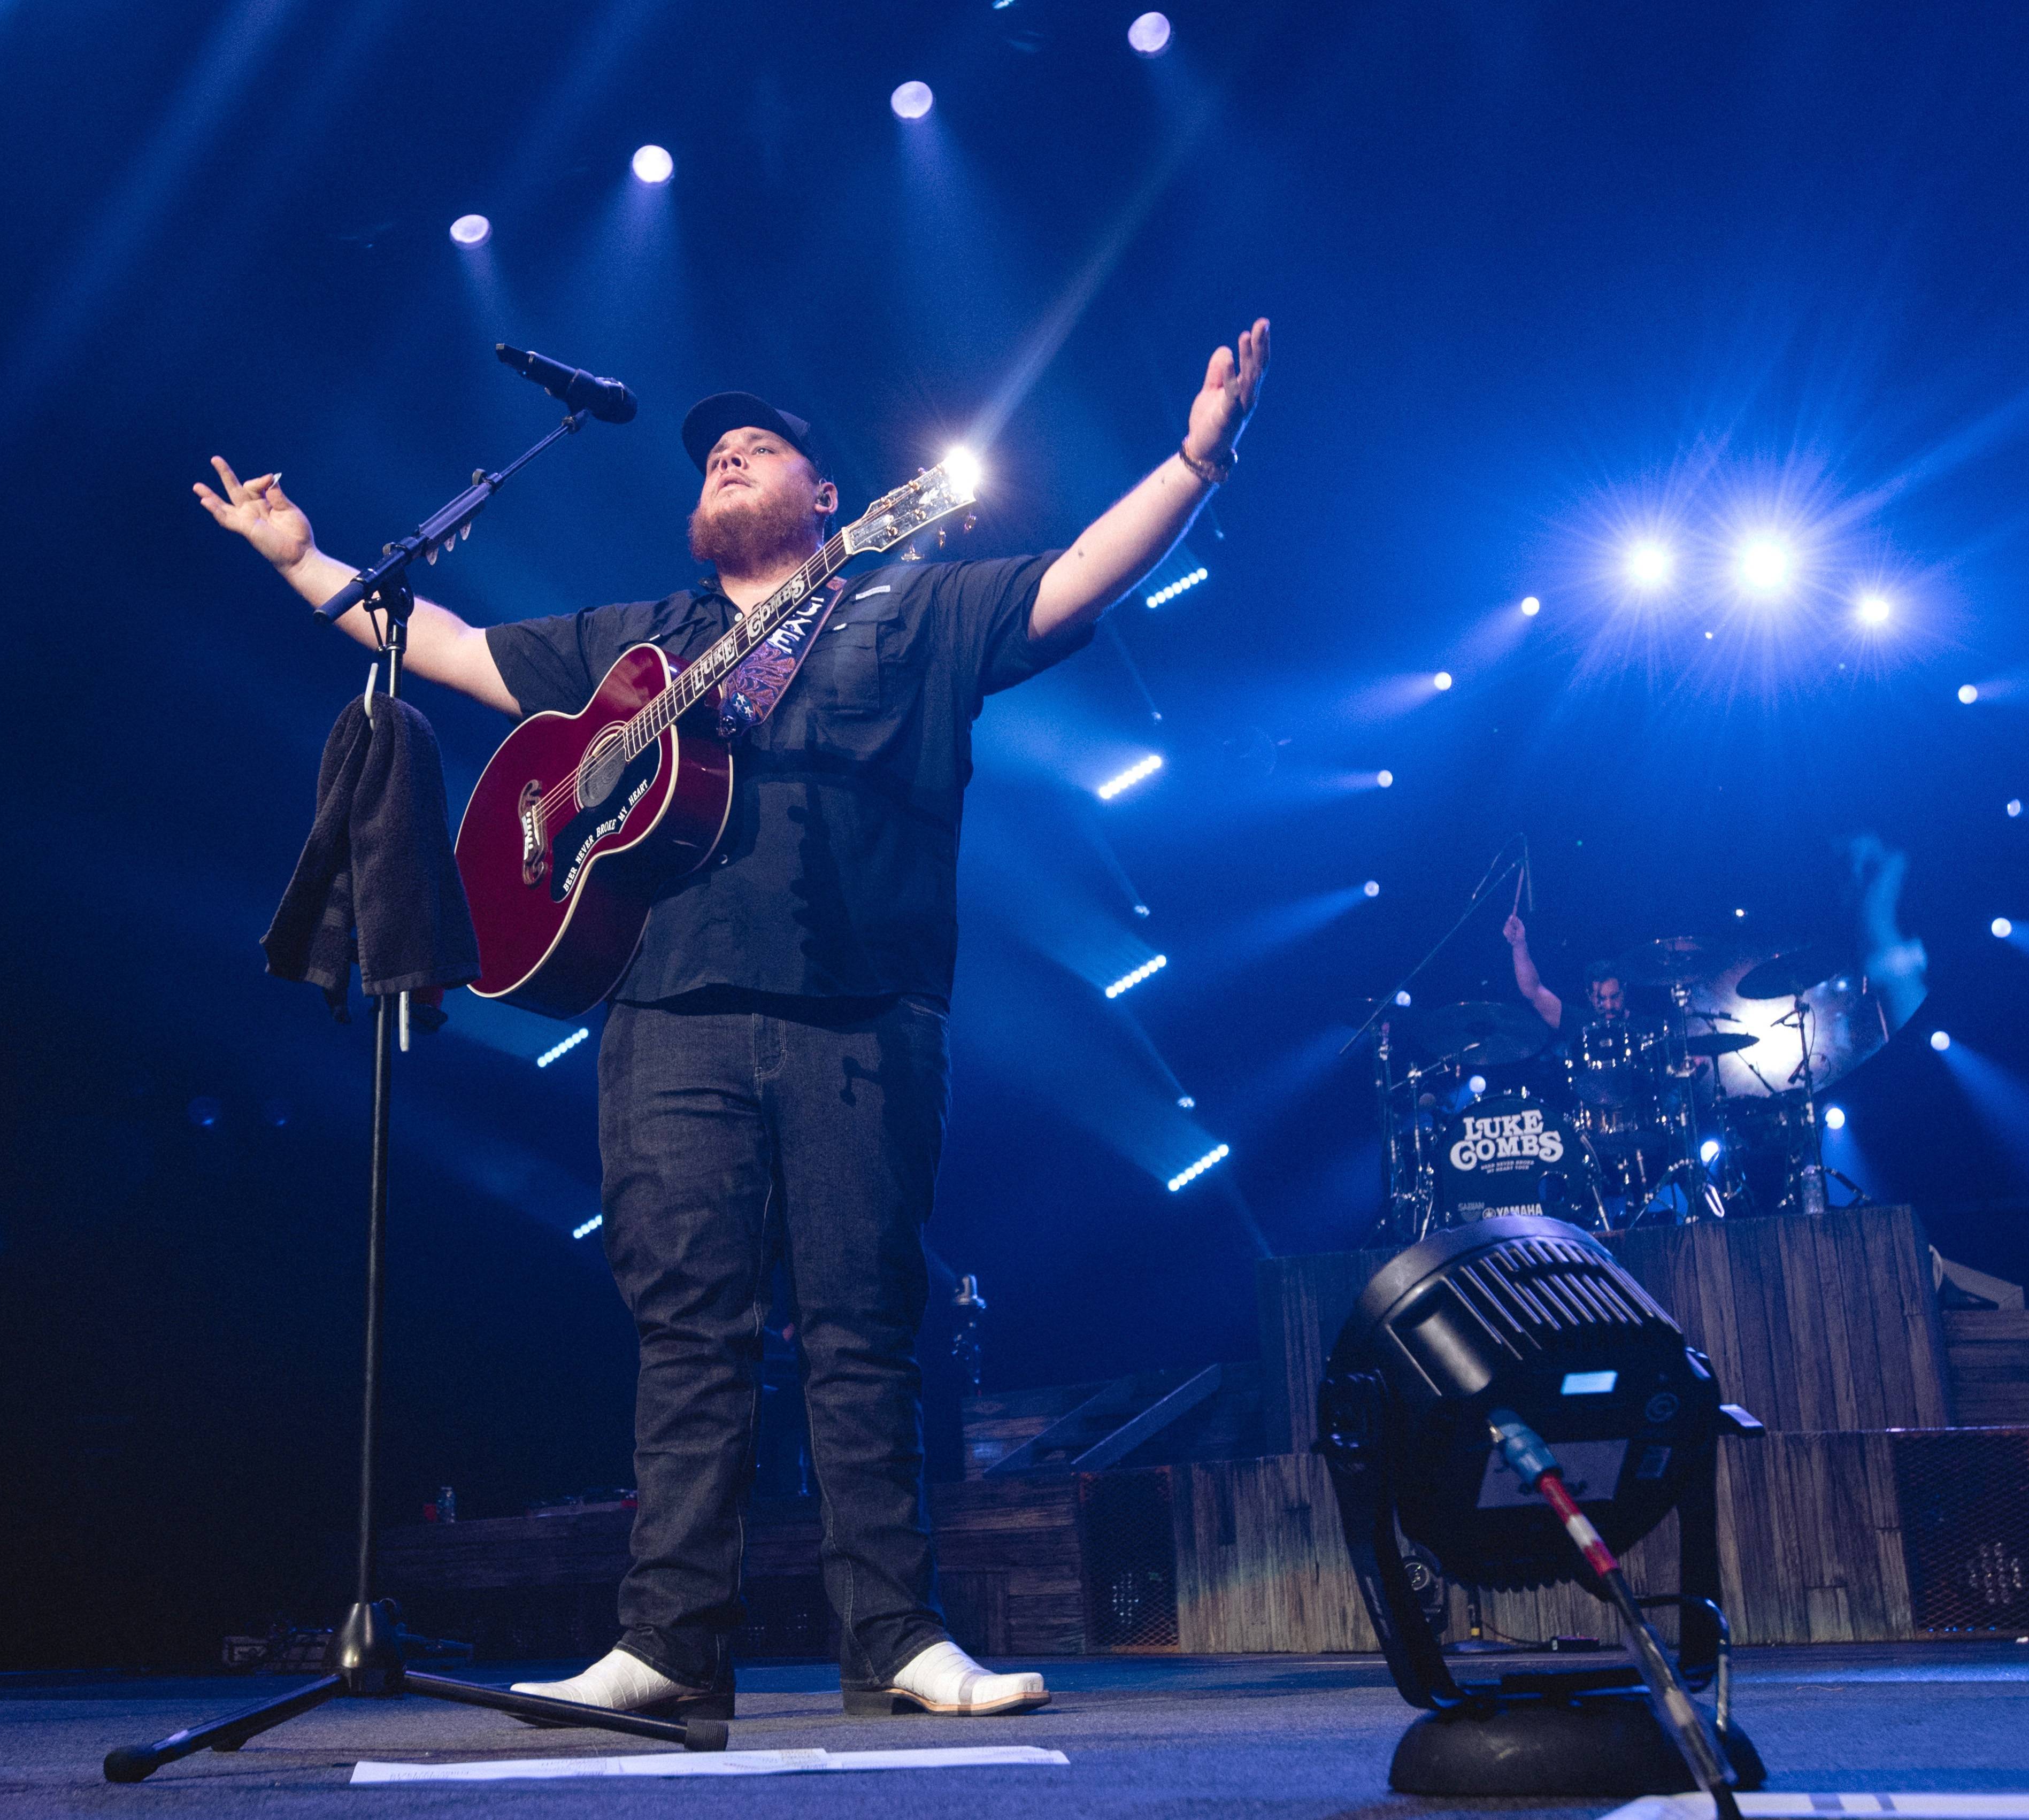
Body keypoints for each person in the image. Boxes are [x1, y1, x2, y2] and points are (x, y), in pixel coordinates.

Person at [195, 319, 1269, 1719]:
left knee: (856, 1328)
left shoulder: (907, 606)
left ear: (828, 496)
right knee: (686, 1331)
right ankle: (663, 1644)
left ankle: (894, 1635)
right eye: (707, 453)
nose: (722, 456)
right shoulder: (639, 640)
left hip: (857, 1008)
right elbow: (446, 649)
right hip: (662, 1009)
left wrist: (1195, 460)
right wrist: (299, 558)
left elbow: (1073, 580)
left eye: (755, 446)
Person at [1503, 912, 1625, 1033]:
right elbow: (1533, 991)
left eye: (1614, 997)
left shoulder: (1640, 1025)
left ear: (1623, 992)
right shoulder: (1581, 1023)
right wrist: (1519, 944)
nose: (1609, 1006)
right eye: (1601, 999)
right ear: (1589, 996)